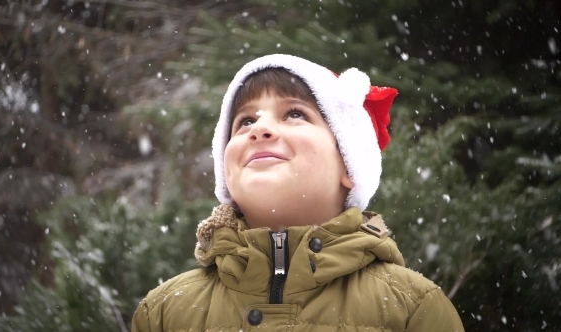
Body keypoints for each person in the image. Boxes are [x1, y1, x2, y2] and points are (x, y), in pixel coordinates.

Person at [131, 54, 465, 331]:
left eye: (294, 114)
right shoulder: (163, 313)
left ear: (349, 167)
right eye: (245, 121)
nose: (260, 129)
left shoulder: (412, 308)